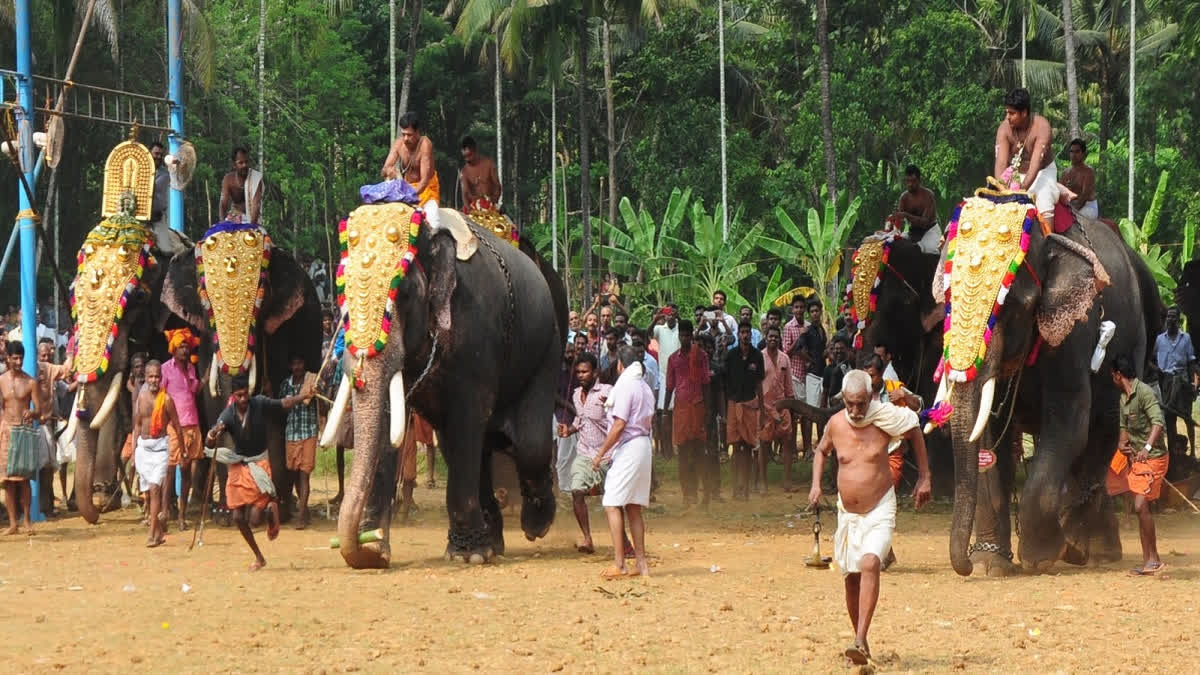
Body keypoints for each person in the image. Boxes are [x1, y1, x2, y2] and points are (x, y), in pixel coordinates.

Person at [809, 370, 932, 665]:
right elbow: (821, 451)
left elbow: (914, 429)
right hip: (847, 514)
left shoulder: (885, 418)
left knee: (870, 562)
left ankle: (860, 638)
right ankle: (860, 644)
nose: (855, 411)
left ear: (871, 397)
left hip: (880, 507)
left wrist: (925, 477)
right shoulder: (836, 424)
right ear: (843, 399)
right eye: (850, 404)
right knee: (851, 577)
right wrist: (815, 484)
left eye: (861, 404)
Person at [205, 373, 313, 571]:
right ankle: (259, 556)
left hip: (259, 464)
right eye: (239, 396)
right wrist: (213, 434)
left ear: (249, 392)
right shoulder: (227, 415)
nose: (243, 399)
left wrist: (303, 396)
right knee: (237, 517)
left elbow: (284, 403)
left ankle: (271, 508)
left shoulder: (260, 403)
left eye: (245, 394)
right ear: (233, 395)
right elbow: (210, 440)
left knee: (255, 520)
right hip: (238, 466)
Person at [592, 345, 655, 579]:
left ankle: (620, 564)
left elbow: (619, 425)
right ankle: (641, 563)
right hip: (643, 445)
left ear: (621, 364)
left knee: (611, 503)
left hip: (630, 446)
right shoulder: (644, 386)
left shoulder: (626, 385)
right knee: (634, 507)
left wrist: (600, 454)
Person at [1106, 355, 1168, 575]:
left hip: (1155, 457)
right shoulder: (1123, 399)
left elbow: (1158, 423)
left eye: (1112, 375)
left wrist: (1147, 449)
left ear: (1118, 375)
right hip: (1137, 460)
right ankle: (1150, 561)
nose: (1112, 379)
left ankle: (1153, 560)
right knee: (1140, 508)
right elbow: (1124, 428)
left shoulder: (1144, 392)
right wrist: (1123, 445)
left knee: (1141, 505)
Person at [559, 353, 614, 553]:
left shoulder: (607, 392)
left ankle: (623, 541)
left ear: (595, 372)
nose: (581, 375)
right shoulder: (575, 394)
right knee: (576, 490)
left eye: (585, 371)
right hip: (584, 453)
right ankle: (587, 538)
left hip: (607, 454)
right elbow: (579, 421)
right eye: (578, 372)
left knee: (614, 500)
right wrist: (569, 430)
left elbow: (617, 421)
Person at [133, 361, 184, 547]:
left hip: (161, 448)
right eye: (151, 376)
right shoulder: (141, 397)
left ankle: (151, 534)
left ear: (161, 378)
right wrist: (133, 452)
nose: (154, 380)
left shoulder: (167, 400)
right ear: (146, 378)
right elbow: (137, 425)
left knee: (155, 489)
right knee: (147, 492)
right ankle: (159, 531)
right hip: (143, 449)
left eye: (157, 376)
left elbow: (177, 426)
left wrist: (183, 453)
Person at [994, 88, 1059, 231]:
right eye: (1006, 112)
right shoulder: (1004, 129)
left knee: (1043, 199)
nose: (1007, 117)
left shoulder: (1041, 127)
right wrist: (1002, 190)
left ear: (1024, 113)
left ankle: (1049, 247)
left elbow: (1036, 165)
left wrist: (1020, 192)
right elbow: (1001, 164)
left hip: (1042, 172)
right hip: (1015, 173)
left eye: (1012, 113)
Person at [159, 328, 202, 531]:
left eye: (186, 345)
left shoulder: (192, 369)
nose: (184, 349)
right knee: (170, 470)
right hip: (174, 428)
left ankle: (182, 516)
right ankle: (165, 513)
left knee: (186, 472)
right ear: (173, 349)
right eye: (181, 346)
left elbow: (194, 393)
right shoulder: (166, 369)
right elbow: (161, 398)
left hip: (192, 424)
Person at [1, 342, 46, 534]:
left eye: (21, 358)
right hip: (6, 432)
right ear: (7, 358)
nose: (18, 362)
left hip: (24, 433)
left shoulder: (30, 382)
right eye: (15, 358)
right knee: (8, 481)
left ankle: (27, 520)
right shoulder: (1, 381)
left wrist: (32, 413)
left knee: (24, 479)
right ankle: (13, 523)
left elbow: (40, 410)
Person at [666, 321, 712, 507]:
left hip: (698, 409)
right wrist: (663, 412)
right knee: (684, 454)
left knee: (700, 453)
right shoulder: (672, 359)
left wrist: (708, 412)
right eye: (682, 335)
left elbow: (706, 384)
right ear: (679, 336)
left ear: (691, 334)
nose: (685, 338)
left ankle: (706, 494)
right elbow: (669, 386)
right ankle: (688, 494)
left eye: (687, 335)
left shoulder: (701, 356)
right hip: (681, 410)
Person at [724, 322, 765, 500]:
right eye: (742, 332)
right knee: (735, 447)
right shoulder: (731, 355)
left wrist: (762, 409)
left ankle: (746, 489)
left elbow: (759, 384)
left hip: (750, 405)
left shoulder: (757, 355)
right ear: (738, 334)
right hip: (734, 404)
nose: (745, 335)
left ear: (751, 334)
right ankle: (735, 489)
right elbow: (725, 384)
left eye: (748, 332)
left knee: (748, 448)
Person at [381, 111, 442, 231]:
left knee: (433, 223)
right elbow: (383, 170)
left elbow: (424, 181)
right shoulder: (398, 144)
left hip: (426, 192)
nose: (405, 139)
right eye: (403, 134)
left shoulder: (425, 144)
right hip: (405, 190)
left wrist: (408, 197)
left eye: (409, 135)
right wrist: (388, 171)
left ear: (418, 132)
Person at [1153, 306, 1198, 458]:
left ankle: (1192, 451)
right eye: (1168, 317)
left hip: (1183, 382)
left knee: (1187, 418)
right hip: (1166, 382)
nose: (1170, 319)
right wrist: (1158, 371)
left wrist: (1194, 383)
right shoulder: (1159, 340)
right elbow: (1152, 359)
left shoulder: (1186, 338)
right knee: (1169, 418)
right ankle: (1172, 451)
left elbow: (1191, 361)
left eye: (1173, 317)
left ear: (1178, 320)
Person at [279, 355, 318, 529]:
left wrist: (317, 392)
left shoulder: (312, 380)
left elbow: (322, 405)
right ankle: (304, 508)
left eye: (300, 363)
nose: (297, 366)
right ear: (290, 366)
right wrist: (303, 396)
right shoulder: (285, 385)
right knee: (294, 472)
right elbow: (283, 405)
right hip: (291, 433)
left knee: (304, 474)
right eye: (294, 363)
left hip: (308, 431)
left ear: (304, 364)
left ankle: (302, 515)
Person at [760, 326, 795, 493]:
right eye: (770, 336)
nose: (773, 339)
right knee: (764, 444)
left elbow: (789, 385)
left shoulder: (785, 359)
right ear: (765, 338)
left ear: (779, 339)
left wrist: (791, 405)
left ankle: (787, 480)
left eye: (776, 337)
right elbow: (756, 385)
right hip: (765, 407)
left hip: (782, 405)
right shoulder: (759, 357)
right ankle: (763, 482)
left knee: (787, 442)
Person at [652, 306, 681, 459]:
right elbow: (648, 333)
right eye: (668, 313)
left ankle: (678, 446)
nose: (670, 316)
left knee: (678, 412)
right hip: (664, 375)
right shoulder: (659, 329)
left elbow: (687, 333)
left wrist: (679, 317)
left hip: (680, 375)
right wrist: (657, 317)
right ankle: (666, 449)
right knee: (664, 414)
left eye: (673, 313)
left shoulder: (680, 328)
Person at [892, 165, 941, 253]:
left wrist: (906, 215)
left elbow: (924, 222)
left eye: (913, 181)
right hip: (912, 233)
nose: (910, 184)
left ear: (919, 181)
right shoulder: (904, 197)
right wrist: (894, 221)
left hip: (930, 231)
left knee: (924, 250)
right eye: (907, 181)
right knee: (893, 244)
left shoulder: (928, 195)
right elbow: (899, 221)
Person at [554, 341, 579, 493]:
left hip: (578, 416)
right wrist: (570, 407)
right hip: (563, 416)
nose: (570, 355)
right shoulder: (557, 371)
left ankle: (575, 485)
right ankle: (564, 487)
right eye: (567, 352)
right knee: (563, 455)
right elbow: (554, 395)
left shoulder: (578, 370)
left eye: (572, 352)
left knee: (577, 453)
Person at [219, 147, 263, 224]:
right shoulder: (228, 179)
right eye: (240, 163)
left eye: (246, 162)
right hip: (234, 218)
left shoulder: (255, 178)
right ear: (234, 165)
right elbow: (223, 203)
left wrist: (251, 228)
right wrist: (223, 224)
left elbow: (256, 205)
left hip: (253, 221)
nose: (244, 165)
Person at [459, 136, 502, 207]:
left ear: (475, 151)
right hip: (473, 208)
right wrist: (470, 209)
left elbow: (497, 186)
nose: (467, 159)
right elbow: (465, 194)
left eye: (469, 155)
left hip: (492, 206)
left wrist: (492, 202)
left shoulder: (489, 164)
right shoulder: (464, 171)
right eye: (465, 156)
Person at [1061, 138, 1098, 219]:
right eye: (1071, 151)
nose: (1074, 155)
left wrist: (1072, 211)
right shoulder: (1065, 173)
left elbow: (1084, 197)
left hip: (1088, 207)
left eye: (1077, 151)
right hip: (1070, 206)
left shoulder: (1088, 172)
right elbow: (1060, 193)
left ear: (1083, 154)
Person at [821, 335, 852, 408]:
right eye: (837, 348)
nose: (839, 351)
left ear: (847, 349)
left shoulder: (852, 366)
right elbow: (825, 392)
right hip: (833, 406)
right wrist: (822, 407)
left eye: (842, 348)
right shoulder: (828, 369)